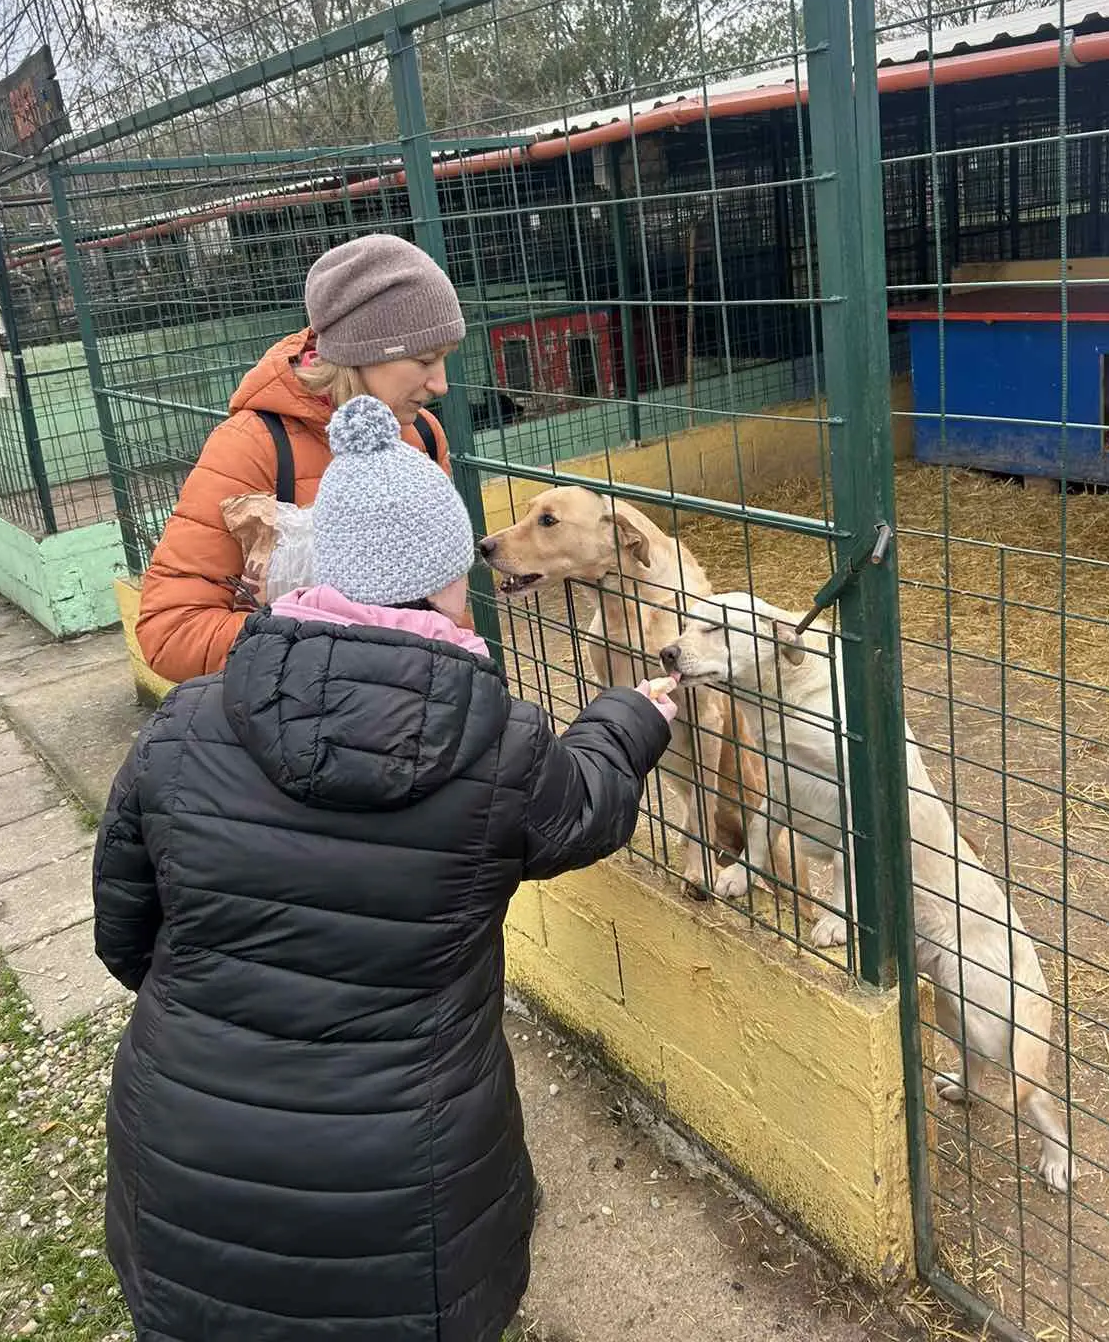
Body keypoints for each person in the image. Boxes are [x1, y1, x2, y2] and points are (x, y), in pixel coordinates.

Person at [94, 394, 678, 1342]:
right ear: (447, 580)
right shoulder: (498, 744)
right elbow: (587, 811)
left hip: (182, 1173)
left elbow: (125, 938)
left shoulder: (186, 724)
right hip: (413, 1192)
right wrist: (631, 716)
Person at [136, 232, 467, 683]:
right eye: (425, 360)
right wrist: (337, 641)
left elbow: (446, 600)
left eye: (445, 358)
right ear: (359, 353)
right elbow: (171, 633)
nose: (440, 384)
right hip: (304, 711)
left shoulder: (422, 435)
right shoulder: (252, 446)